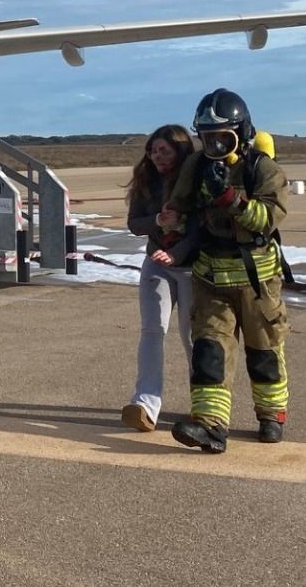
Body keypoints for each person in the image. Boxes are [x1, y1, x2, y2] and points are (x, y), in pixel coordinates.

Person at [158, 88, 291, 454]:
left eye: (222, 137)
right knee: (209, 351)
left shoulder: (263, 170)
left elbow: (266, 219)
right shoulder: (196, 167)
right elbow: (180, 208)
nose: (214, 145)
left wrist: (229, 197)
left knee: (264, 350)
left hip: (257, 280)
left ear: (242, 134)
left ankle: (271, 415)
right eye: (207, 138)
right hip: (211, 277)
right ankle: (210, 425)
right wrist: (171, 224)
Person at [120, 124, 198, 432]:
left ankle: (203, 405)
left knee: (192, 336)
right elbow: (134, 223)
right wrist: (156, 220)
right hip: (157, 264)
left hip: (192, 266)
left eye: (164, 151)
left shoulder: (196, 179)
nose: (157, 157)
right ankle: (145, 404)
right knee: (152, 331)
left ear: (180, 149)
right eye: (153, 151)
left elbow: (203, 227)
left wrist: (177, 253)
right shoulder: (146, 180)